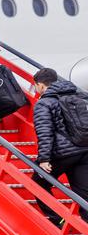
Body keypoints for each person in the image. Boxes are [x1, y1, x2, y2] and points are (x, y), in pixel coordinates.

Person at [31, 68, 88, 225]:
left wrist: (44, 159)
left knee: (37, 183)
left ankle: (59, 219)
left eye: (35, 86)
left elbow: (44, 132)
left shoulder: (44, 103)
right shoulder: (80, 96)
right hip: (84, 151)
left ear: (41, 85)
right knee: (84, 197)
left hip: (62, 154)